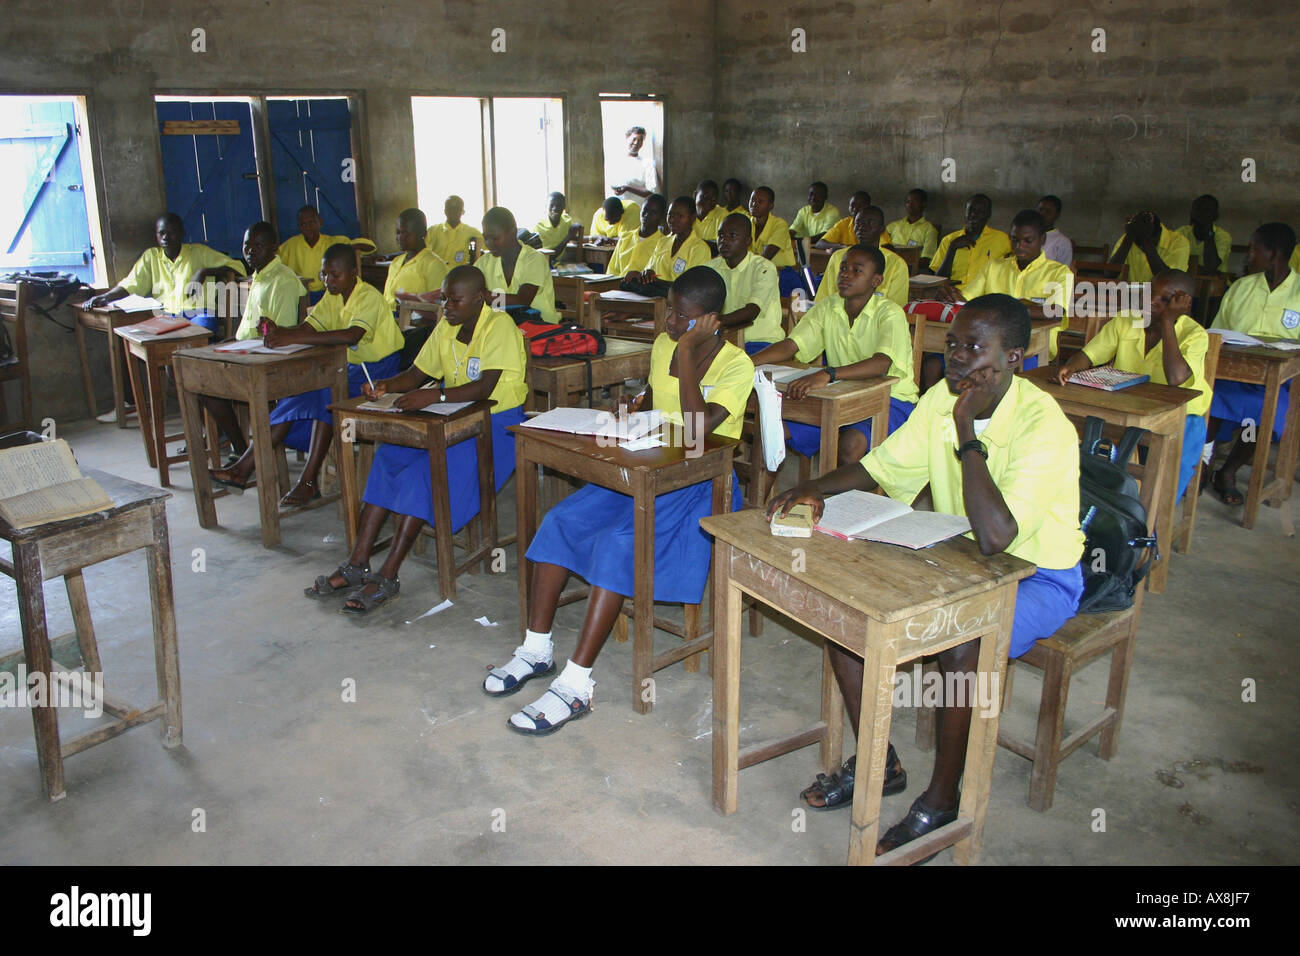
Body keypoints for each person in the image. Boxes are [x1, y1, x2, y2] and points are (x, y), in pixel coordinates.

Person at [767, 294, 1084, 858]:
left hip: (1037, 575)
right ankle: (880, 759)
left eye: (974, 348)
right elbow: (880, 468)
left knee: (962, 647)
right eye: (953, 344)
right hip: (959, 556)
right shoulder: (942, 397)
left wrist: (966, 431)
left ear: (1014, 356)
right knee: (849, 612)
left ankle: (941, 800)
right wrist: (813, 487)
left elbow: (997, 536)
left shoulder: (1045, 426)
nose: (957, 359)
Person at [484, 266, 754, 734]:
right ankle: (536, 647)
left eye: (683, 318)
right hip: (644, 463)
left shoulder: (736, 365)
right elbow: (656, 399)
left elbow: (694, 431)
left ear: (712, 320)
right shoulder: (666, 345)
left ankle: (576, 685)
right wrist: (631, 409)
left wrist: (688, 351)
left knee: (615, 544)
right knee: (561, 519)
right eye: (669, 311)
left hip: (694, 483)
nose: (670, 324)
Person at [304, 266, 527, 612]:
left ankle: (389, 574)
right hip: (448, 420)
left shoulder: (499, 326)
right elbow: (417, 374)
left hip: (493, 426)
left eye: (455, 300)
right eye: (443, 298)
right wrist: (386, 387)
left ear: (480, 298)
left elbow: (484, 388)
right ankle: (357, 562)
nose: (447, 306)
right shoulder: (446, 327)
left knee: (423, 474)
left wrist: (435, 396)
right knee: (389, 457)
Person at [210, 243, 402, 505]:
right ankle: (250, 470)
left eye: (335, 275)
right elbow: (308, 327)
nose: (328, 281)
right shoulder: (333, 296)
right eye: (324, 274)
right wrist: (280, 331)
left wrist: (294, 335)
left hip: (379, 374)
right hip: (348, 368)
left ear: (354, 272)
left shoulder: (367, 296)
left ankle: (292, 477)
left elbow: (350, 335)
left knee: (325, 390)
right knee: (306, 390)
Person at [752, 245, 918, 466]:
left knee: (852, 445)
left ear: (876, 280)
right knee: (774, 433)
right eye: (843, 268)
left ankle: (843, 500)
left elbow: (881, 364)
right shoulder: (829, 307)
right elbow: (792, 345)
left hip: (891, 399)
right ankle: (765, 500)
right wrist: (747, 362)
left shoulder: (889, 313)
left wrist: (829, 374)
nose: (846, 275)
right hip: (841, 396)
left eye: (857, 271)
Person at [1058, 270, 1208, 500]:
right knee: (1079, 427)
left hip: (1180, 414)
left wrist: (1167, 321)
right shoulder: (1127, 319)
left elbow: (1177, 378)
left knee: (1164, 479)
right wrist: (1071, 367)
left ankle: (1150, 522)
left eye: (1164, 299)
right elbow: (1090, 354)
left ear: (1182, 304)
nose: (1151, 302)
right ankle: (1098, 499)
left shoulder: (1195, 334)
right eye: (1150, 293)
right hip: (1129, 407)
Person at [1206, 222, 1300, 504]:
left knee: (1267, 412)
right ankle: (1203, 466)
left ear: (1276, 254)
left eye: (1254, 249)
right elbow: (1216, 335)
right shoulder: (1241, 288)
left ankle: (1228, 471)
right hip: (1230, 374)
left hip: (1278, 383)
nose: (1248, 256)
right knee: (1206, 398)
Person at [199, 221, 306, 460]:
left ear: (274, 248)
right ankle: (241, 448)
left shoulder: (283, 280)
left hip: (267, 360)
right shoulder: (258, 276)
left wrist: (263, 331)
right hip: (247, 350)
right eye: (247, 245)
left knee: (210, 387)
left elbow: (282, 335)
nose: (250, 251)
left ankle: (244, 452)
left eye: (259, 246)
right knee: (202, 382)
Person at [959, 209, 1073, 362]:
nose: (1020, 246)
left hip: (1035, 347)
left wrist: (1010, 309)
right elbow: (967, 297)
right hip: (988, 341)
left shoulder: (1059, 272)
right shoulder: (994, 267)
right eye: (1014, 240)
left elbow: (1056, 310)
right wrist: (952, 295)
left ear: (1043, 240)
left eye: (1028, 241)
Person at [85, 212, 245, 319]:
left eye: (172, 232)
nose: (166, 237)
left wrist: (204, 271)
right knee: (146, 337)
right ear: (156, 235)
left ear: (182, 233)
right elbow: (131, 285)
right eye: (161, 233)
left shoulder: (199, 252)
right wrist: (105, 297)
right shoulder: (151, 257)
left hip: (199, 314)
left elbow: (238, 267)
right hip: (166, 316)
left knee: (193, 335)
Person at [708, 212, 783, 354]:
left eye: (733, 236)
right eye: (721, 236)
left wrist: (709, 323)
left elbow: (751, 312)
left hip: (761, 344)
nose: (724, 241)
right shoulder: (710, 268)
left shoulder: (764, 268)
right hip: (725, 341)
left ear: (748, 241)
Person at [474, 206, 560, 323]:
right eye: (486, 238)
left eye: (495, 238)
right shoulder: (484, 262)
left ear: (513, 233)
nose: (489, 244)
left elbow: (522, 300)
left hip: (541, 329)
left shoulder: (534, 259)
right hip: (504, 329)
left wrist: (484, 295)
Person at [815, 206, 907, 307]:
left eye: (870, 224)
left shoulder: (896, 264)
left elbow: (895, 309)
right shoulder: (838, 257)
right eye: (858, 223)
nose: (863, 228)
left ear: (882, 229)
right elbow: (824, 299)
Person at [278, 206, 370, 301]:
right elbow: (274, 260)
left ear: (320, 222)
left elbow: (368, 246)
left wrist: (352, 247)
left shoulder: (332, 241)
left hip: (329, 293)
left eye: (311, 223)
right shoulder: (291, 245)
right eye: (303, 224)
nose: (308, 228)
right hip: (301, 295)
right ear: (298, 226)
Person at [635, 195, 712, 295]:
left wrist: (657, 283)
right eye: (670, 215)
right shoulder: (662, 242)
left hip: (681, 305)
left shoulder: (699, 248)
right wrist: (647, 273)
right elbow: (649, 268)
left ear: (692, 218)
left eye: (680, 216)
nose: (673, 220)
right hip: (654, 298)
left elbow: (691, 286)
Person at [929, 194, 1011, 286]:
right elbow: (938, 280)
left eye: (980, 212)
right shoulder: (948, 240)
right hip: (953, 296)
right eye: (970, 210)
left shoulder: (1002, 239)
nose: (973, 215)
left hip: (985, 297)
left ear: (988, 214)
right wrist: (952, 248)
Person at [382, 208, 448, 313]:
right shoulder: (396, 262)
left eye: (406, 233)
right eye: (398, 232)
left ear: (422, 233)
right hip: (386, 321)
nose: (400, 237)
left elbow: (439, 308)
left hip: (412, 325)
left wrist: (409, 307)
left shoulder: (434, 265)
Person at [1108, 210, 1190, 284]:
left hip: (1159, 298)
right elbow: (1109, 274)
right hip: (1128, 296)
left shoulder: (1179, 242)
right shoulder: (1128, 238)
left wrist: (1146, 241)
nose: (1141, 247)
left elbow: (1168, 281)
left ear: (1158, 235)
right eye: (1138, 243)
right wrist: (1129, 238)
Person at [609, 194, 668, 278]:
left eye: (653, 212)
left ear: (662, 217)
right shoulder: (625, 237)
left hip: (642, 289)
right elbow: (612, 270)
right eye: (645, 210)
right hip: (618, 286)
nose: (647, 215)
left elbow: (661, 275)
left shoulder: (664, 244)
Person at [885, 188, 940, 271]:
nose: (910, 204)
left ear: (924, 204)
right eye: (908, 202)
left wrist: (900, 259)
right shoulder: (893, 226)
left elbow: (926, 260)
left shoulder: (929, 230)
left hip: (913, 269)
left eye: (915, 201)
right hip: (890, 266)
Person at [1175, 195, 1231, 275]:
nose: (1201, 214)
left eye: (1207, 210)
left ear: (1215, 216)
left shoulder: (1223, 237)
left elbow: (1211, 267)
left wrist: (1209, 233)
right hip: (1184, 281)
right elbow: (1172, 263)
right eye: (1197, 209)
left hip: (1215, 284)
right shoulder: (1182, 233)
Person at [426, 195, 484, 267]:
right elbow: (425, 255)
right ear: (445, 211)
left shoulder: (473, 232)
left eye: (457, 208)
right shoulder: (432, 231)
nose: (453, 211)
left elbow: (485, 252)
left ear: (463, 211)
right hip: (436, 274)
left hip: (461, 275)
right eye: (450, 208)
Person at [747, 186, 796, 268]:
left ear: (771, 206)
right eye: (752, 200)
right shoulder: (746, 223)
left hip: (781, 272)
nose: (754, 204)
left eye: (760, 201)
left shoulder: (780, 225)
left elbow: (767, 256)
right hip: (757, 270)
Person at [609, 126, 659, 201]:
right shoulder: (615, 162)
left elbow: (651, 191)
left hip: (636, 209)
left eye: (640, 140)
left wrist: (627, 188)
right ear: (627, 138)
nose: (636, 143)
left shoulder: (647, 164)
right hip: (617, 209)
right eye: (634, 139)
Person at [1036, 195, 1073, 266]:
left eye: (1048, 212)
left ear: (1057, 215)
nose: (1042, 214)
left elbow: (1066, 271)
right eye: (1040, 210)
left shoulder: (1062, 241)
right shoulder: (1028, 235)